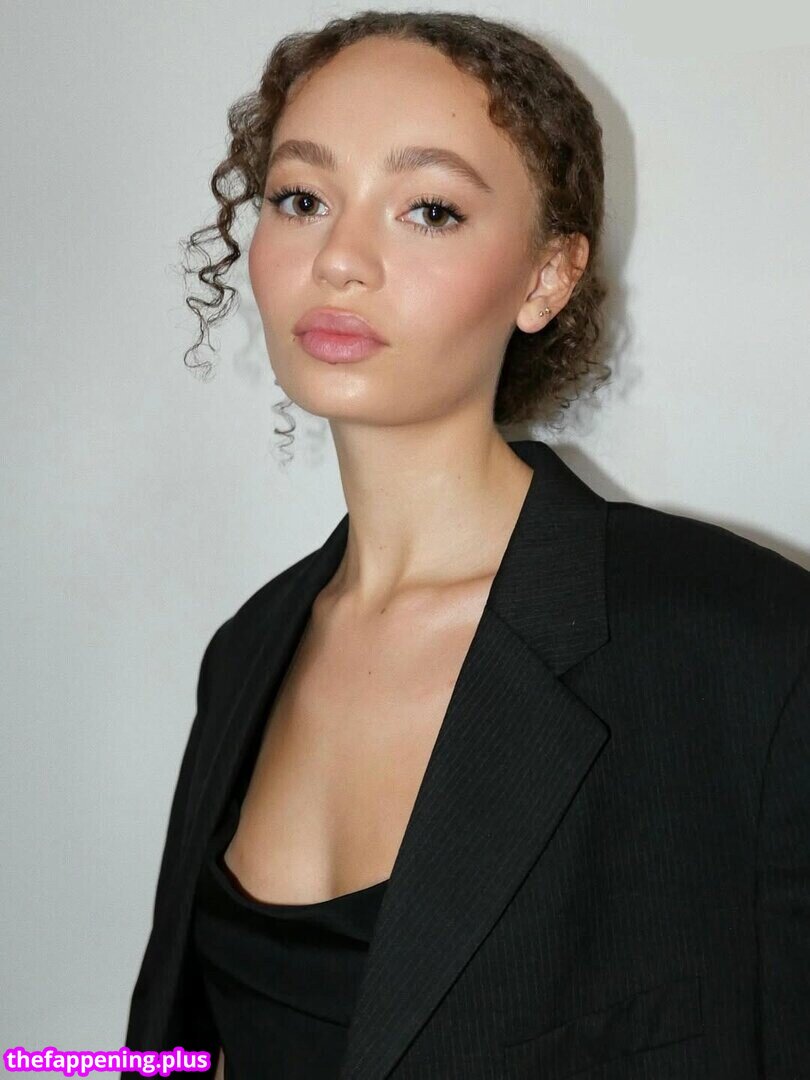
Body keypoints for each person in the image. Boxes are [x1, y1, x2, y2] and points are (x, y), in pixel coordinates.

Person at [123, 11, 810, 1079]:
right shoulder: (246, 651)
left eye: (429, 210)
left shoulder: (744, 644)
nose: (340, 260)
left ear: (547, 278)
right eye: (301, 198)